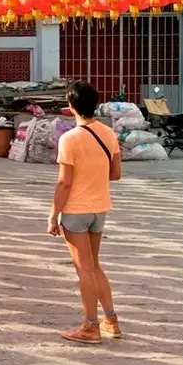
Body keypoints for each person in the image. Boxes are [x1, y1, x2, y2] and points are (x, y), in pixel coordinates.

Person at [49, 81, 123, 345]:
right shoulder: (108, 134)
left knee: (84, 270)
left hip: (76, 210)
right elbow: (116, 174)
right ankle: (110, 320)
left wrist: (53, 214)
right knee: (95, 265)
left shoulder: (69, 139)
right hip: (99, 207)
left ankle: (91, 325)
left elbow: (64, 183)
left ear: (71, 107)